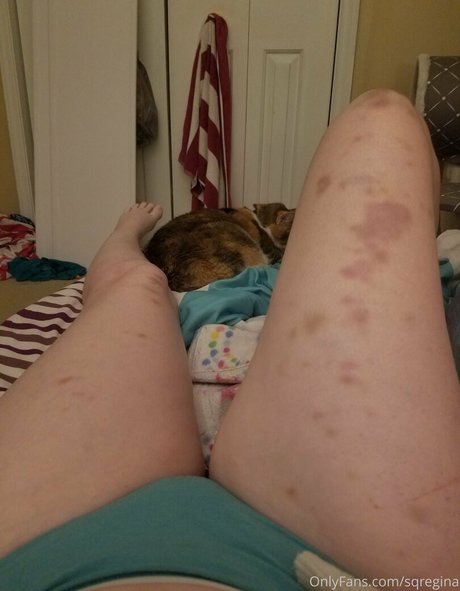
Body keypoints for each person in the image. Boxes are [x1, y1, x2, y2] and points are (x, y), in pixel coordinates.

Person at [0, 89, 459, 591]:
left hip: (27, 544)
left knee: (137, 285)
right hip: (365, 556)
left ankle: (122, 239)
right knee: (383, 118)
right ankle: (124, 236)